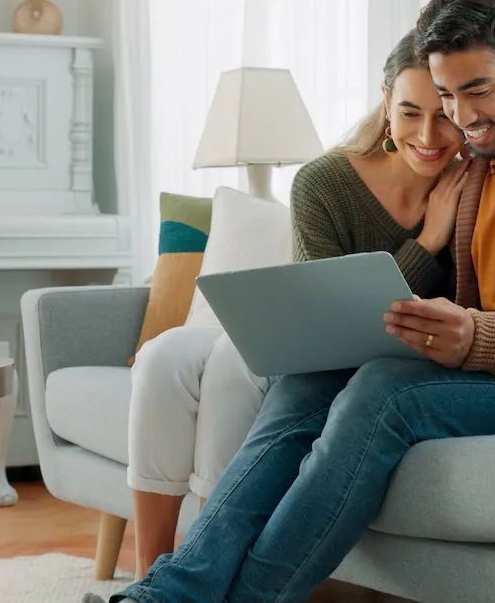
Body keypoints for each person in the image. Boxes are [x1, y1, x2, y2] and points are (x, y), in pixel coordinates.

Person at [101, 0, 495, 603]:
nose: (461, 118)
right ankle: (166, 594)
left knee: (386, 391)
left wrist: (474, 337)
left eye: (477, 92)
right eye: (446, 96)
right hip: (492, 370)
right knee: (312, 379)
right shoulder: (482, 153)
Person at [123, 29, 469, 577]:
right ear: (385, 103)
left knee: (232, 369)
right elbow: (329, 327)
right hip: (314, 348)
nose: (428, 135)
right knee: (169, 358)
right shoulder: (325, 182)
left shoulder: (473, 186)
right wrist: (426, 243)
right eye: (409, 112)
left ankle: (201, 577)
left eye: (444, 115)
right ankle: (152, 574)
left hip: (379, 365)